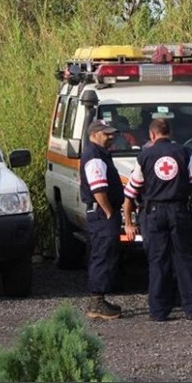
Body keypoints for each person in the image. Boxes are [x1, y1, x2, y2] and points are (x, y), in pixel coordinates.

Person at [123, 118, 192, 321]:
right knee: (186, 259)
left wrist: (129, 221)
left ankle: (158, 311)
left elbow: (132, 189)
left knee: (157, 261)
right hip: (179, 210)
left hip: (153, 212)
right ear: (170, 133)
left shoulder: (144, 156)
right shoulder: (184, 152)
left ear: (152, 135)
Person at [80, 119, 125, 319]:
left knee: (105, 254)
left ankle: (99, 299)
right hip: (101, 214)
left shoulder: (99, 154)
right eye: (106, 133)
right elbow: (98, 188)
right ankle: (97, 302)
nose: (111, 136)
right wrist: (108, 211)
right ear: (94, 134)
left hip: (100, 213)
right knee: (103, 255)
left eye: (111, 133)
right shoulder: (95, 156)